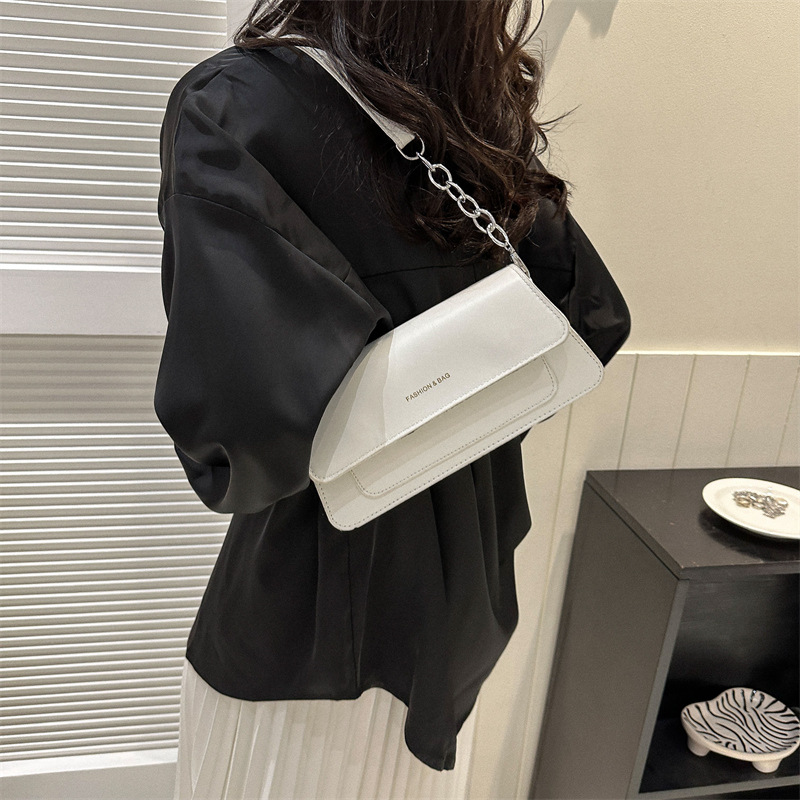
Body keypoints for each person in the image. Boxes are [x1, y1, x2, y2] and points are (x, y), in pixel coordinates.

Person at [154, 1, 632, 797]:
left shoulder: (236, 103)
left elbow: (235, 446)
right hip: (458, 613)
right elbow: (590, 319)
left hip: (299, 629)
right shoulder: (476, 121)